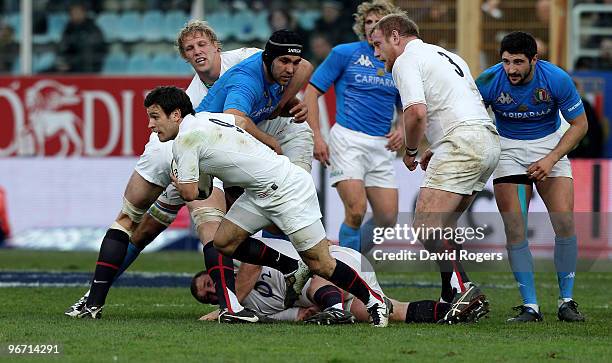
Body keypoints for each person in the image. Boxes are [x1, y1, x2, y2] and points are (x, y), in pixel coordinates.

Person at [64, 22, 309, 318]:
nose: (197, 52)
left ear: (216, 46)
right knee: (209, 226)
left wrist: (283, 103)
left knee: (134, 222)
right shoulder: (208, 89)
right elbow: (235, 122)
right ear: (184, 56)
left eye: (202, 45)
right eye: (190, 49)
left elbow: (302, 67)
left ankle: (92, 301)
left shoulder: (247, 58)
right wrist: (269, 141)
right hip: (200, 151)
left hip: (188, 148)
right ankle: (235, 303)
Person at [370, 13, 500, 316]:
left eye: (378, 45)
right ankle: (450, 295)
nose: (377, 54)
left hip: (464, 142)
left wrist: (412, 150)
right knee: (444, 226)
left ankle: (461, 287)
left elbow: (416, 113)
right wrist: (440, 145)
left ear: (395, 36)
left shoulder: (405, 60)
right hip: (486, 138)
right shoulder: (448, 55)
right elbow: (462, 103)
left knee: (426, 225)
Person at [475, 31, 587, 322]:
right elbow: (469, 118)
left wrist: (551, 158)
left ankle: (567, 302)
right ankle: (530, 306)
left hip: (550, 145)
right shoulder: (488, 80)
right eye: (506, 61)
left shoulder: (556, 78)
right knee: (515, 229)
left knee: (564, 221)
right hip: (508, 150)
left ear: (534, 60)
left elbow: (579, 124)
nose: (511, 69)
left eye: (518, 62)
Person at [192, 238, 488, 325]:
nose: (210, 289)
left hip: (340, 265)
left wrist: (224, 308)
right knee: (383, 311)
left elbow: (251, 270)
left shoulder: (244, 259)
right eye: (208, 294)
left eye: (208, 282)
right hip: (347, 283)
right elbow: (290, 314)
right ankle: (449, 311)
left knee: (306, 280)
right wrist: (300, 316)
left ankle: (334, 310)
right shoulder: (253, 308)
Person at [303, 0, 402, 253]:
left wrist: (401, 128)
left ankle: (345, 260)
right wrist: (317, 135)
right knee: (356, 211)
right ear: (362, 26)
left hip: (382, 145)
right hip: (347, 139)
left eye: (378, 22)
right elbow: (312, 93)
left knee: (388, 219)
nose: (372, 27)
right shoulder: (344, 53)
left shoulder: (399, 62)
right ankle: (351, 275)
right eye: (368, 22)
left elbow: (406, 106)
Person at [54, 3, 107, 73]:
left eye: (77, 12)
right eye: (73, 12)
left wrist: (71, 63)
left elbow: (89, 52)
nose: (75, 14)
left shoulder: (92, 28)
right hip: (70, 65)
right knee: (47, 73)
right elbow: (62, 47)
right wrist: (62, 61)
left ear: (84, 13)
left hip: (89, 66)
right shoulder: (68, 28)